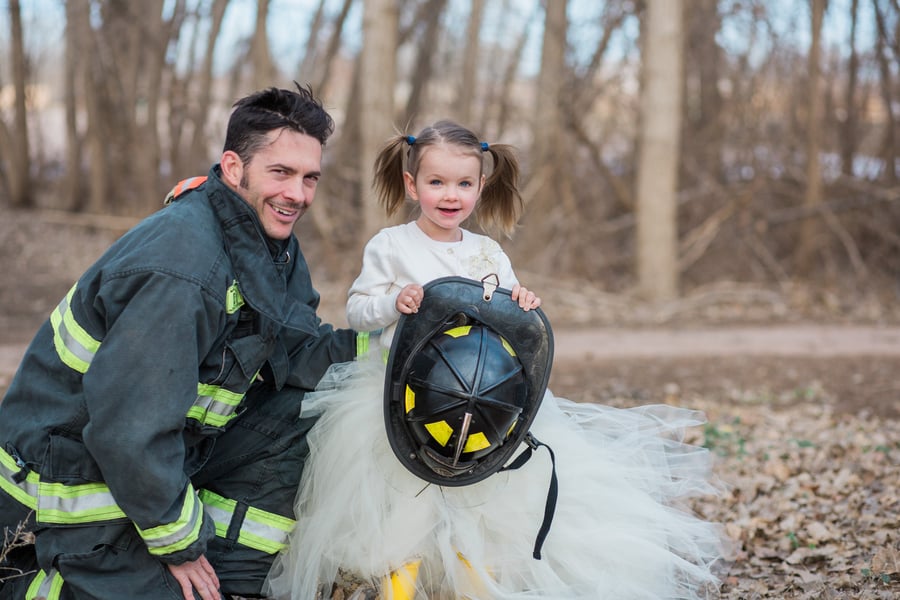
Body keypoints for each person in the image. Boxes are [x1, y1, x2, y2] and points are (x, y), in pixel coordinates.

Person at [264, 120, 729, 599]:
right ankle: (398, 588)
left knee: (480, 508)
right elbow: (359, 312)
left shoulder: (488, 254)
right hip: (401, 406)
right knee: (403, 512)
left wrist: (521, 300)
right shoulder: (391, 246)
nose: (451, 195)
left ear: (481, 186)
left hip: (486, 406)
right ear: (411, 184)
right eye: (436, 182)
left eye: (464, 184)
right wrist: (393, 302)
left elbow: (508, 323)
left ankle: (476, 587)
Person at [0, 83, 365, 600]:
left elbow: (299, 351)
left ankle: (233, 579)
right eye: (280, 173)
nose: (298, 195)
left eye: (310, 178)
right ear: (234, 168)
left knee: (301, 409)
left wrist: (392, 348)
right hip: (71, 479)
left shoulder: (270, 245)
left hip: (162, 459)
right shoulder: (185, 267)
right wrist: (182, 545)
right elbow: (129, 430)